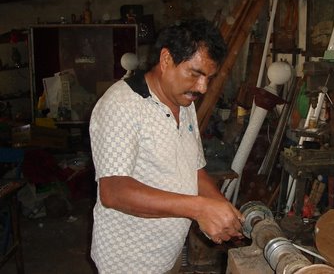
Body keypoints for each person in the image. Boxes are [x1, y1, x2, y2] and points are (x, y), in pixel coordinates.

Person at [89, 19, 244, 273]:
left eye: (209, 78)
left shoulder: (185, 103)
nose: (202, 88)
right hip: (128, 262)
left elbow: (194, 170)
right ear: (166, 60)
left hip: (167, 252)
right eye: (195, 74)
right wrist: (199, 208)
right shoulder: (122, 104)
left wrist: (221, 209)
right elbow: (113, 191)